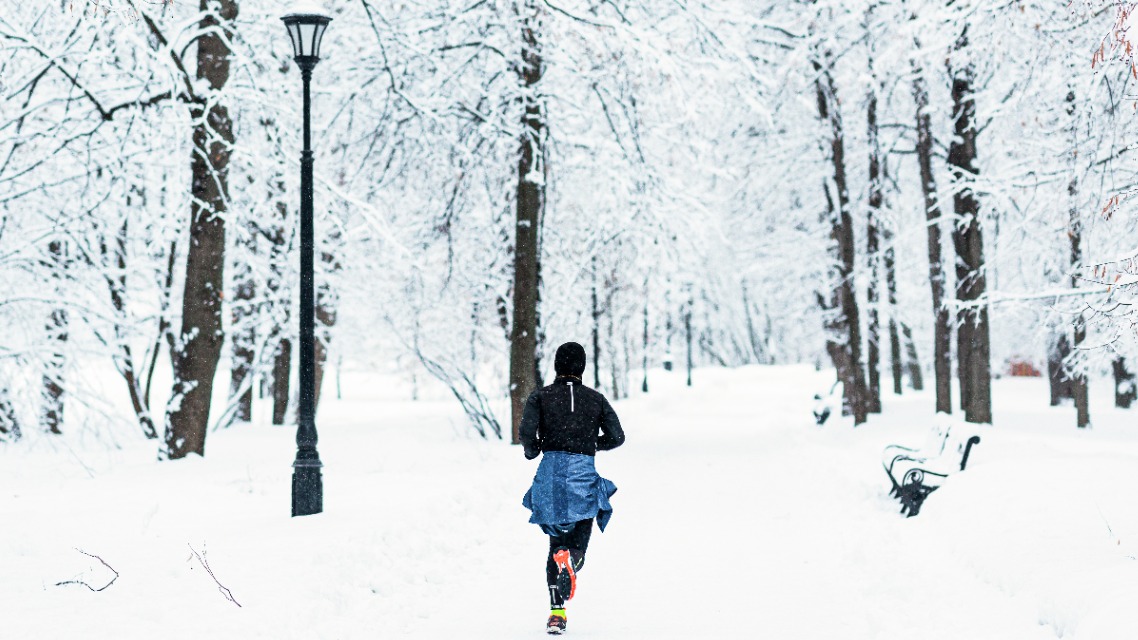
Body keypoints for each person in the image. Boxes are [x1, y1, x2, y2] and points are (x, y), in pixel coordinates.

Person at [521, 341, 625, 635]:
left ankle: (556, 613)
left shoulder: (540, 397)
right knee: (583, 522)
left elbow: (526, 433)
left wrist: (535, 449)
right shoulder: (595, 399)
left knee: (555, 544)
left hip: (550, 475)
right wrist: (591, 444)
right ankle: (575, 556)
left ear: (556, 365)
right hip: (581, 473)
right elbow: (617, 436)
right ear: (582, 368)